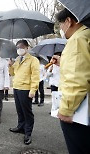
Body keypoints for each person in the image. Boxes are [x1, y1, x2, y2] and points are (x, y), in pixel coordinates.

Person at [52, 8, 90, 154]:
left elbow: (76, 79)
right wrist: (62, 61)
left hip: (79, 111)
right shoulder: (86, 35)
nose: (61, 28)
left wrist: (66, 110)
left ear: (69, 21)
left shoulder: (77, 39)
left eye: (61, 24)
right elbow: (83, 66)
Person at [9, 40, 40, 145]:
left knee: (27, 112)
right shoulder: (17, 59)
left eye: (21, 47)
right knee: (19, 110)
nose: (19, 49)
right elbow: (12, 73)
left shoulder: (33, 60)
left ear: (27, 48)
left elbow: (35, 76)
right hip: (16, 87)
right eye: (17, 47)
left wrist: (33, 90)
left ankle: (28, 133)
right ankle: (20, 127)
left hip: (26, 89)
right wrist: (10, 65)